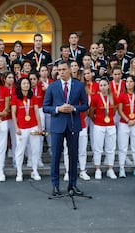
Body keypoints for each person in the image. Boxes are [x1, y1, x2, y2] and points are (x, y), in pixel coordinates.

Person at [43, 60, 88, 196]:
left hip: (73, 124)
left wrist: (74, 108)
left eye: (63, 69)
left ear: (69, 70)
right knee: (56, 156)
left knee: (73, 157)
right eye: (59, 70)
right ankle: (55, 185)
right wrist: (58, 108)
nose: (61, 72)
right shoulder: (53, 86)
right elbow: (45, 107)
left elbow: (85, 105)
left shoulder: (79, 86)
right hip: (57, 125)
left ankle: (72, 185)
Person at [12, 77, 43, 181]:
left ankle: (35, 171)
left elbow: (36, 112)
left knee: (35, 149)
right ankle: (19, 172)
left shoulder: (33, 97)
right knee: (20, 150)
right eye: (24, 83)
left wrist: (39, 126)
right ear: (20, 85)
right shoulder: (16, 98)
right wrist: (16, 127)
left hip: (33, 126)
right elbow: (13, 113)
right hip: (21, 127)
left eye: (27, 83)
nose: (26, 85)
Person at [89, 77, 117, 180]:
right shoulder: (95, 97)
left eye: (105, 85)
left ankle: (110, 169)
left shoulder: (113, 96)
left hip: (110, 125)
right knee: (98, 148)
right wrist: (96, 121)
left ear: (108, 86)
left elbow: (114, 111)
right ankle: (98, 169)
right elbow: (91, 112)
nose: (103, 87)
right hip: (99, 125)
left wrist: (108, 119)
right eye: (101, 85)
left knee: (110, 148)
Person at [117, 75, 135, 178]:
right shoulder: (121, 95)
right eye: (127, 81)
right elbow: (119, 110)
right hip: (124, 123)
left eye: (131, 81)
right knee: (123, 147)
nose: (128, 83)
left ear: (134, 83)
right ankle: (121, 168)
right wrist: (128, 120)